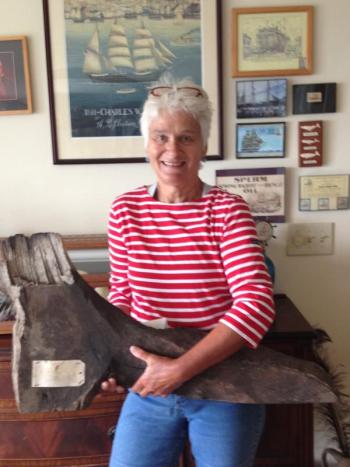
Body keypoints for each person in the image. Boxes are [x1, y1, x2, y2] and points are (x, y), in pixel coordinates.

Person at [102, 77, 275, 467]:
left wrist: (180, 370)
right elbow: (122, 297)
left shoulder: (227, 211)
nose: (172, 150)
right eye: (161, 137)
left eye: (186, 138)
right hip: (150, 384)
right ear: (147, 143)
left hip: (224, 384)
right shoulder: (125, 210)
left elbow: (257, 304)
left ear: (204, 147)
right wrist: (115, 361)